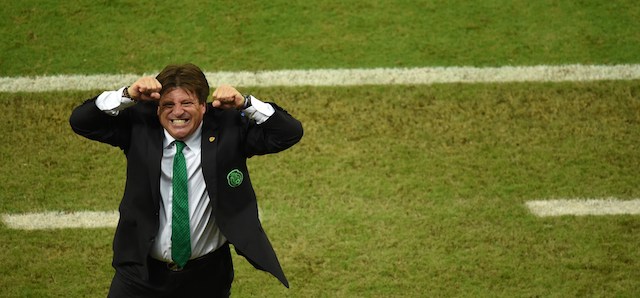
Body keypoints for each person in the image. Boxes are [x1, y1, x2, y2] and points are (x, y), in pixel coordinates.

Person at [69, 63, 303, 297]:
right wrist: (126, 95)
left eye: (187, 103)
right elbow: (81, 122)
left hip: (207, 278)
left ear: (203, 106)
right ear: (157, 108)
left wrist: (247, 104)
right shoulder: (141, 126)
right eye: (168, 104)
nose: (177, 112)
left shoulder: (227, 128)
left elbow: (288, 133)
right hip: (140, 275)